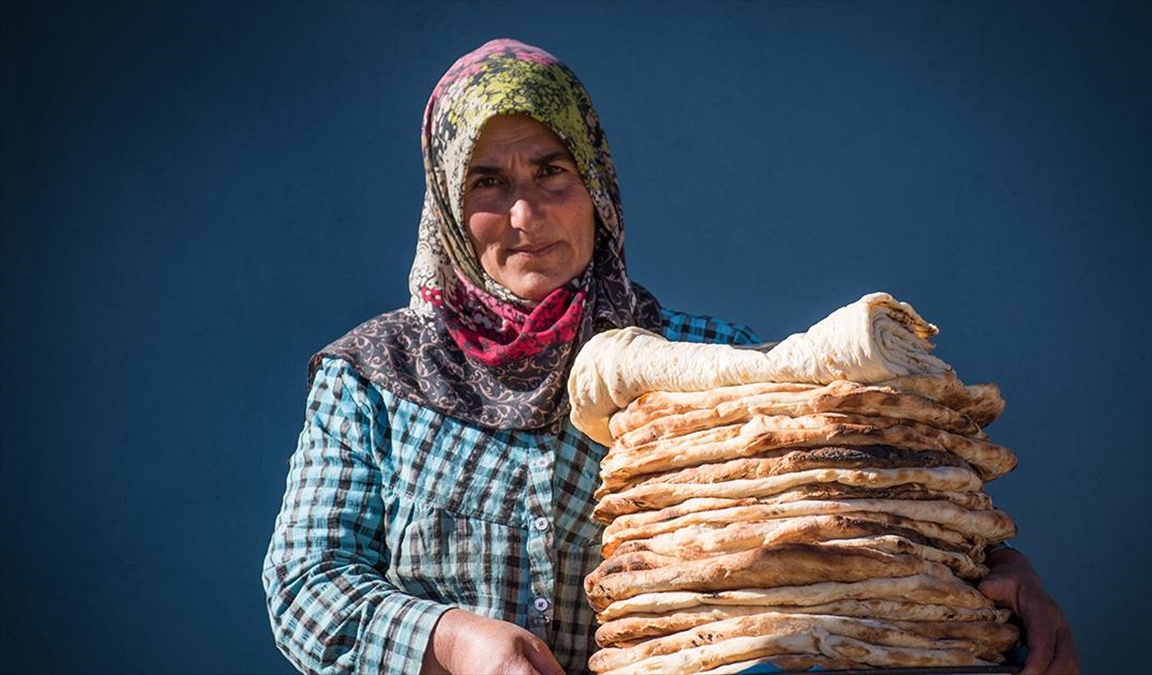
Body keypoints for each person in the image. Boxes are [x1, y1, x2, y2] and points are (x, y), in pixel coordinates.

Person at [262, 38, 1079, 675]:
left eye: (552, 171)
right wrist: (455, 639)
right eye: (486, 181)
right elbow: (304, 586)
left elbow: (832, 490)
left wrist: (1003, 570)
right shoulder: (374, 379)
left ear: (598, 185)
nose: (523, 212)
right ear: (446, 204)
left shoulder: (697, 361)